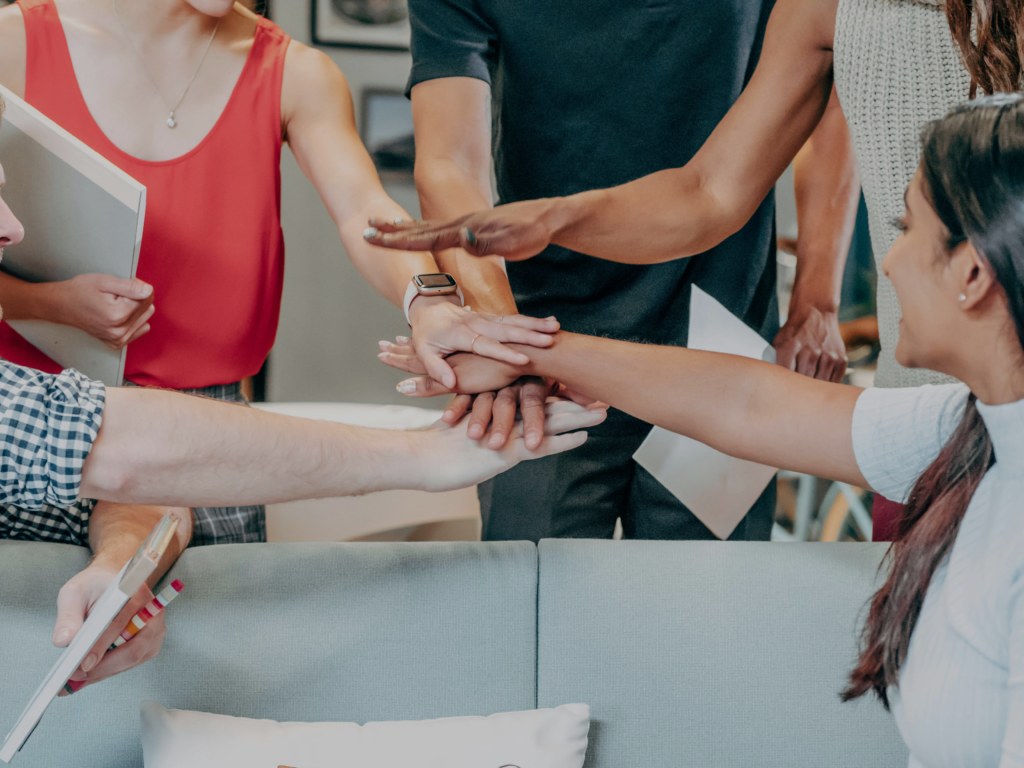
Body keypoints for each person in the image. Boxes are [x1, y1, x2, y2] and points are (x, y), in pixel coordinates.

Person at [385, 95, 1024, 768]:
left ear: (973, 272)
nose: (887, 262)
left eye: (905, 228)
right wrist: (521, 350)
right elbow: (746, 403)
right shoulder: (962, 426)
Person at [368, 0, 1022, 541]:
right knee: (534, 598)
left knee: (710, 609)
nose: (890, 261)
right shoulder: (915, 428)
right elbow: (707, 193)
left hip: (727, 331)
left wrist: (818, 295)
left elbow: (815, 109)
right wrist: (511, 330)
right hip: (555, 333)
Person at [0, 123, 605, 692]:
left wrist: (120, 568)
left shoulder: (61, 431)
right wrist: (427, 456)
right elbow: (117, 446)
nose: (13, 230)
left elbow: (129, 470)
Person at [0, 0, 556, 546]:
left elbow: (362, 208)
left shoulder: (296, 72)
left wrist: (429, 304)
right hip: (32, 427)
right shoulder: (13, 43)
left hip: (213, 442)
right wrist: (47, 304)